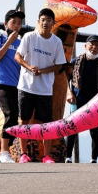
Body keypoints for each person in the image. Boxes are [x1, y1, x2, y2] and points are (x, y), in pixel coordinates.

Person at [14, 8, 67, 163]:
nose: (45, 23)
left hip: (45, 89)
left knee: (46, 124)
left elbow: (59, 65)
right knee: (24, 121)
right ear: (38, 22)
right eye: (43, 20)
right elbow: (17, 56)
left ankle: (46, 155)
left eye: (49, 20)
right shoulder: (29, 37)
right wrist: (29, 67)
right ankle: (23, 154)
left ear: (53, 23)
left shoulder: (56, 42)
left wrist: (43, 71)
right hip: (26, 86)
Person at [65, 35, 98, 163]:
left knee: (95, 130)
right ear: (85, 46)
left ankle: (94, 159)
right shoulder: (75, 62)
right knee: (72, 127)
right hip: (77, 99)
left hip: (95, 102)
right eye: (92, 44)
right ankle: (68, 157)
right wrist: (69, 93)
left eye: (97, 45)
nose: (94, 47)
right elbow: (65, 79)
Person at [0, 9, 25, 163]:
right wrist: (9, 41)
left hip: (17, 84)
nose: (17, 25)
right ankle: (3, 151)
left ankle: (7, 150)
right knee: (9, 114)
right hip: (2, 81)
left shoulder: (21, 42)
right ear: (6, 24)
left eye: (19, 23)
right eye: (14, 22)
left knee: (15, 117)